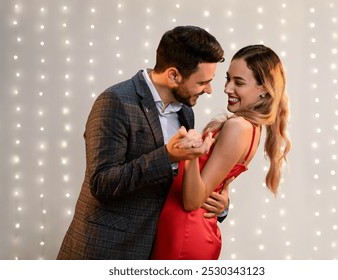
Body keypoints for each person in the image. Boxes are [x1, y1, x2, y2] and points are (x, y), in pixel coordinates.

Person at [57, 25, 230, 260]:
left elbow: (173, 187)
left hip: (153, 252)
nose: (209, 90)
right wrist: (167, 156)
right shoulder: (115, 101)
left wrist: (219, 205)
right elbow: (101, 184)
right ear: (173, 75)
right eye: (202, 83)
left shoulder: (186, 112)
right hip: (105, 251)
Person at [151, 45, 291, 260]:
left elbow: (192, 201)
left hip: (185, 231)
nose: (227, 88)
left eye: (239, 82)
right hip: (186, 228)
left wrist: (189, 155)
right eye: (228, 79)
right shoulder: (251, 128)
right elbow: (215, 183)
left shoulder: (239, 127)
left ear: (264, 88)